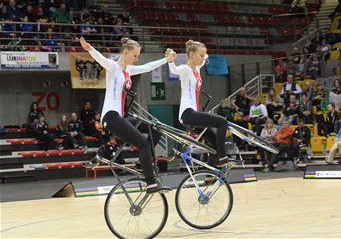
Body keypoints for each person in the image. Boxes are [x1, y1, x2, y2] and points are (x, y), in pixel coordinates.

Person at [80, 36, 174, 193]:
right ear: (125, 52)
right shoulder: (113, 67)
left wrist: (166, 59)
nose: (137, 59)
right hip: (110, 117)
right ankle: (150, 183)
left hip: (120, 117)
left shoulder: (129, 70)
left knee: (155, 128)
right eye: (135, 55)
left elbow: (148, 67)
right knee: (144, 144)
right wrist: (89, 48)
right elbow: (100, 58)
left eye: (138, 56)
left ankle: (141, 162)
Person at [169, 40, 237, 169]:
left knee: (215, 141)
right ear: (192, 55)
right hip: (187, 113)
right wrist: (171, 60)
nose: (203, 58)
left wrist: (195, 44)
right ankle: (223, 157)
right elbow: (174, 70)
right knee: (222, 122)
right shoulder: (185, 69)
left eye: (203, 55)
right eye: (200, 55)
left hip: (193, 114)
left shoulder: (197, 69)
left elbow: (205, 56)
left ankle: (209, 172)